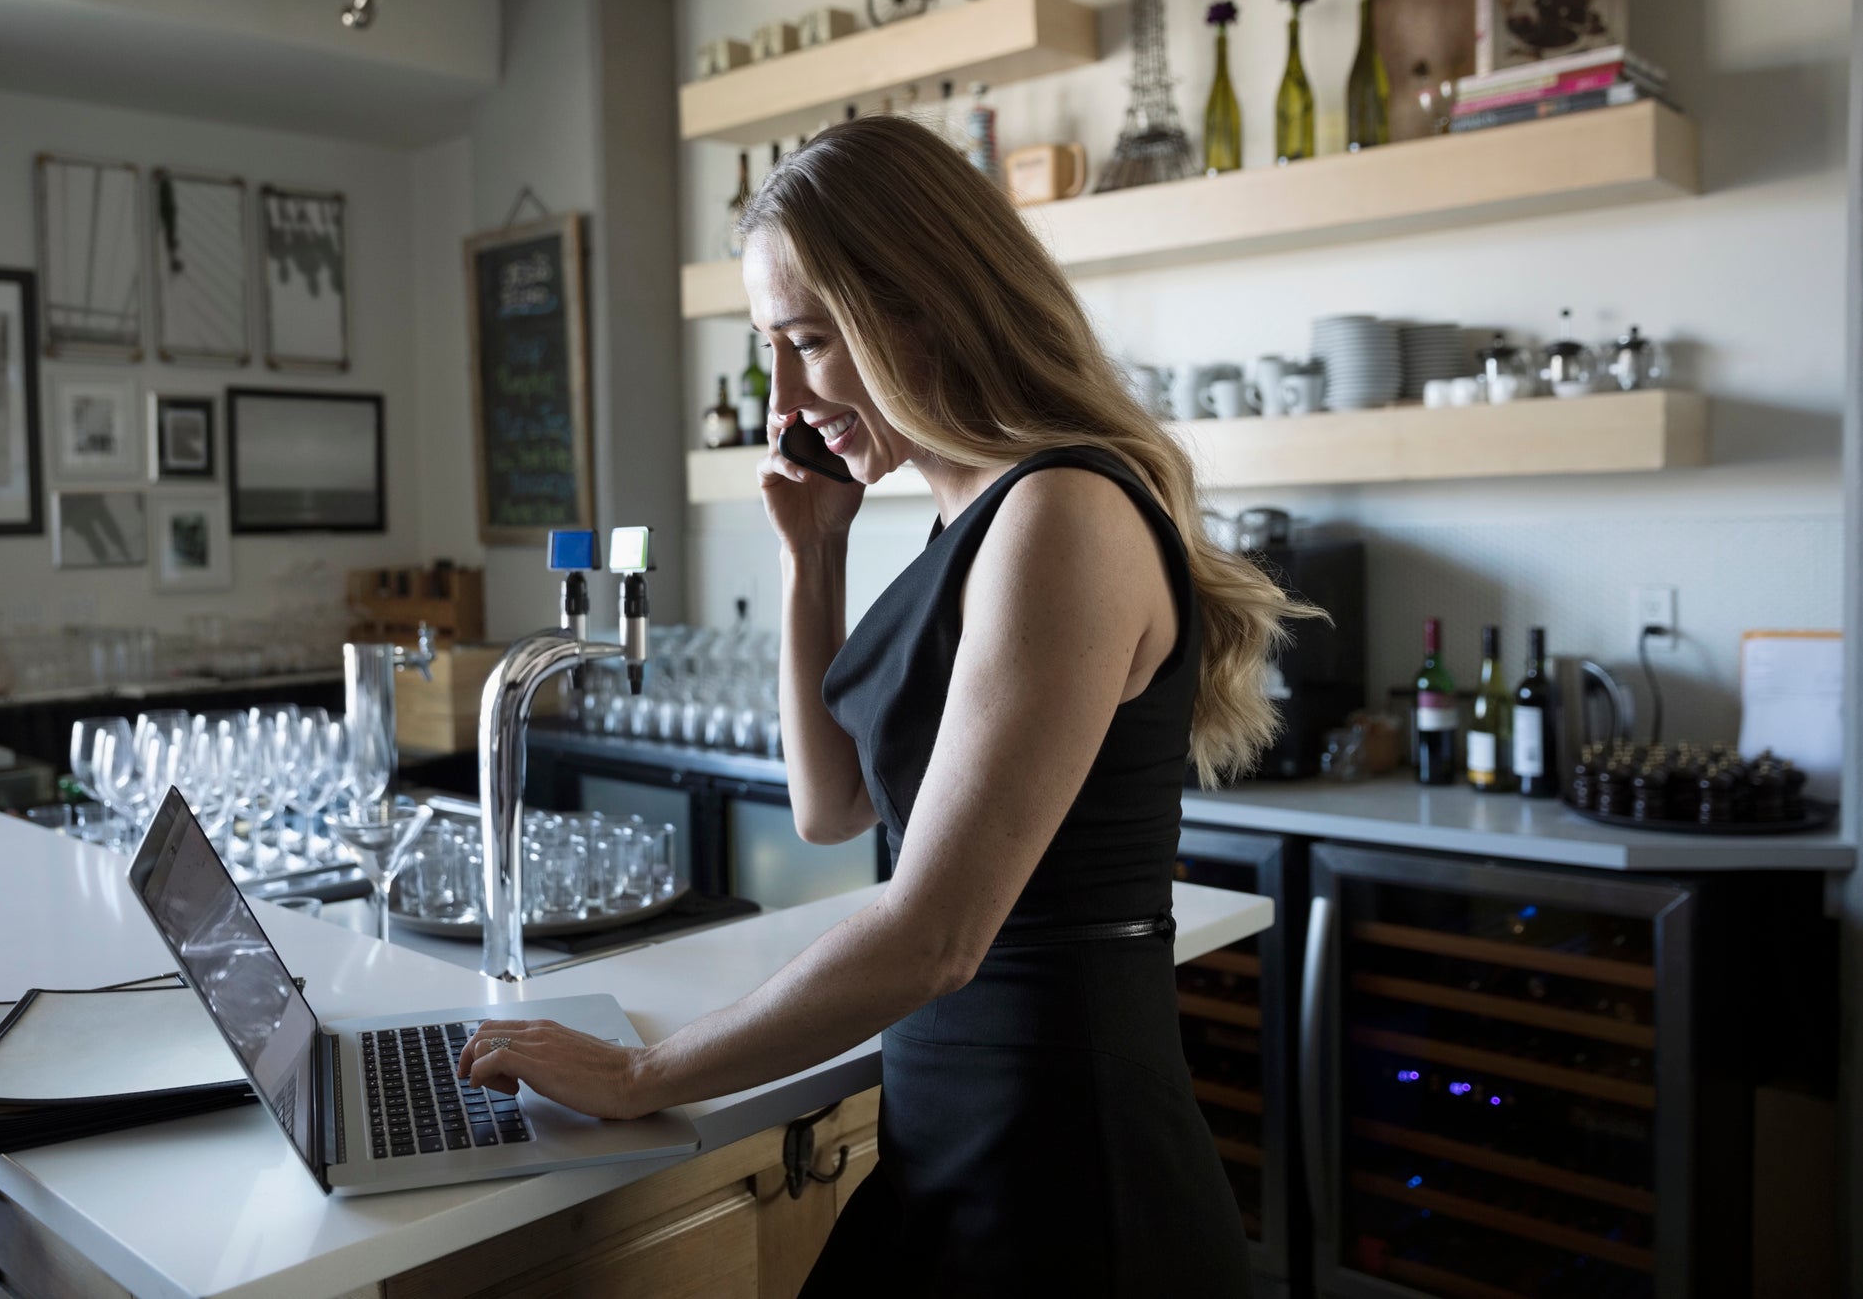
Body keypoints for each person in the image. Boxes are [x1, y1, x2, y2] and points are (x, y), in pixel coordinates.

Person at [457, 116, 1306, 1294]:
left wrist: (640, 1074)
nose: (786, 394)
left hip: (1063, 1173)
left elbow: (935, 936)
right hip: (954, 1133)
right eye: (770, 348)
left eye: (809, 340)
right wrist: (813, 556)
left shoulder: (1061, 513)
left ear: (926, 307)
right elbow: (831, 805)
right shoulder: (978, 518)